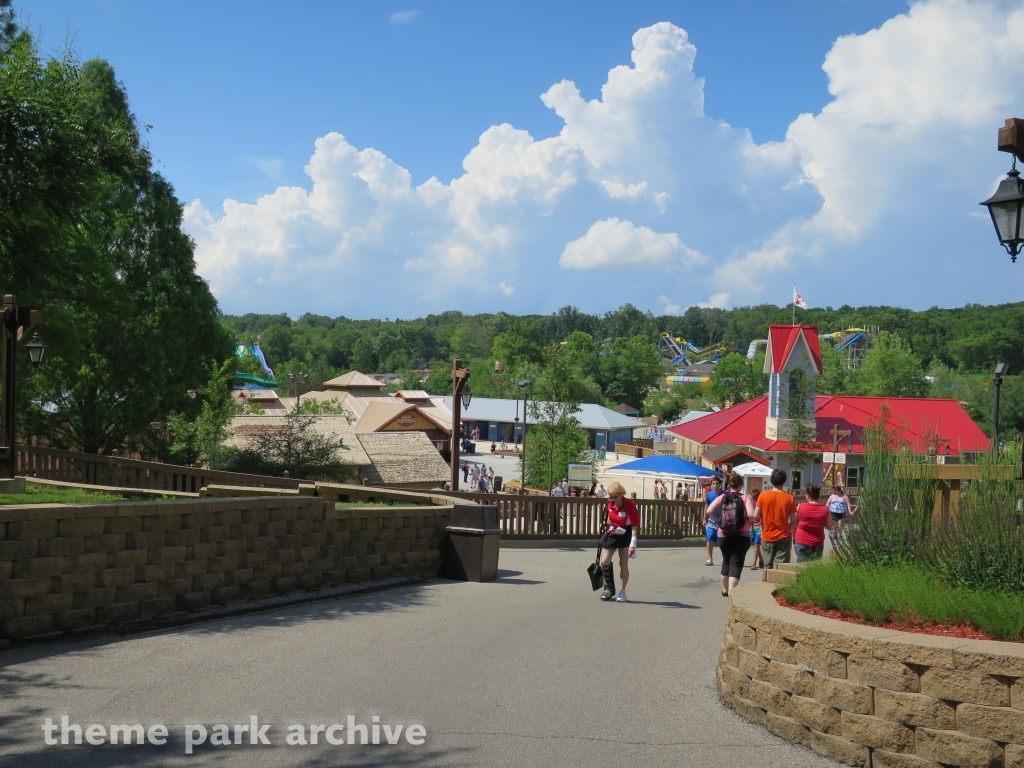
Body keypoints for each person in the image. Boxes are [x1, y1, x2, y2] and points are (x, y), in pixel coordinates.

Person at [705, 473, 759, 597]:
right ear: (740, 486)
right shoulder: (745, 498)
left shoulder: (722, 497)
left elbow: (709, 511)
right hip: (741, 534)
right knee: (736, 562)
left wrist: (719, 518)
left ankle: (725, 590)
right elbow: (752, 515)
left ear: (729, 485)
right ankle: (732, 592)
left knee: (726, 561)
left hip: (723, 534)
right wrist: (744, 519)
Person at [597, 481, 639, 602]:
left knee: (623, 564)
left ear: (621, 494)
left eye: (616, 496)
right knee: (604, 561)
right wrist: (605, 524)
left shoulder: (630, 505)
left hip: (626, 534)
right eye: (611, 496)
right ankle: (609, 588)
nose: (613, 499)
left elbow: (635, 526)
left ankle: (622, 591)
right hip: (613, 532)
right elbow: (611, 519)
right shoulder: (609, 504)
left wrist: (633, 544)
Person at [755, 469, 797, 567]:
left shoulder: (763, 495)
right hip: (783, 535)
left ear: (771, 480)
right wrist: (790, 531)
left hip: (767, 535)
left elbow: (756, 514)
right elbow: (794, 520)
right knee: (781, 567)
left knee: (767, 566)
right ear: (784, 481)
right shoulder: (789, 498)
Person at [795, 484, 832, 561]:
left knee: (801, 566)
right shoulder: (825, 510)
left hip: (801, 540)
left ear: (808, 495)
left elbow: (794, 523)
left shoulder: (800, 507)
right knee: (814, 568)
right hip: (817, 542)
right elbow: (829, 527)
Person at [702, 477, 723, 566]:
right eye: (713, 484)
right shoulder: (709, 494)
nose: (715, 485)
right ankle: (710, 559)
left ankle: (724, 558)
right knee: (709, 538)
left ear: (719, 484)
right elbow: (706, 506)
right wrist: (704, 518)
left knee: (722, 540)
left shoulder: (724, 494)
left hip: (722, 520)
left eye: (717, 483)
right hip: (711, 520)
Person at [748, 488, 764, 570]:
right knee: (755, 544)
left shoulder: (763, 502)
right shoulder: (750, 501)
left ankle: (753, 563)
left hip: (760, 525)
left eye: (756, 498)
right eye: (753, 498)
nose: (755, 500)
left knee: (757, 544)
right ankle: (761, 559)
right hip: (752, 526)